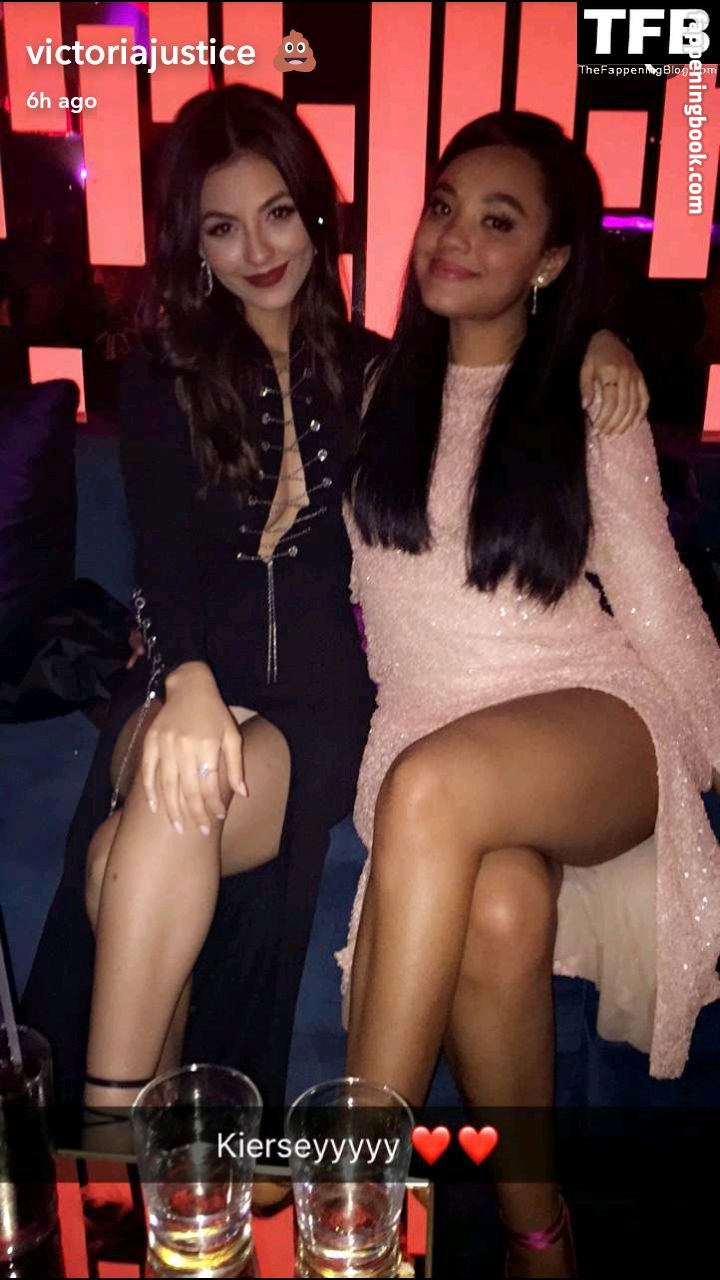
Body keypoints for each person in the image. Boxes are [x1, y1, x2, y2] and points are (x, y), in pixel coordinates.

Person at [21, 87, 646, 1119]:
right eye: (222, 227)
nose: (258, 249)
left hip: (315, 712)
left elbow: (500, 362)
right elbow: (161, 561)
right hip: (181, 685)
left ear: (315, 212)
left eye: (277, 213)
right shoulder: (164, 378)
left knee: (124, 854)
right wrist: (185, 684)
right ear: (193, 246)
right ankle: (126, 1143)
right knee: (172, 794)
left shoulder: (380, 375)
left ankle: (118, 1150)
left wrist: (594, 344)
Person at [337, 111, 720, 1278]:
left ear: (551, 259)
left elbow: (657, 600)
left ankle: (349, 1216)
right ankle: (538, 1237)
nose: (453, 236)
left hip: (594, 720)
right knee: (499, 905)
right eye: (443, 205)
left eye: (497, 222)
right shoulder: (375, 388)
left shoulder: (584, 398)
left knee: (429, 790)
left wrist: (713, 756)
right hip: (432, 729)